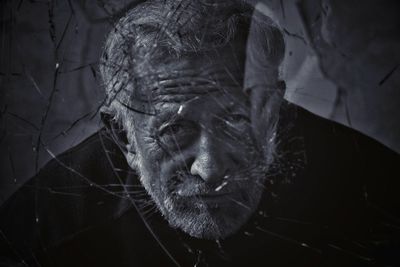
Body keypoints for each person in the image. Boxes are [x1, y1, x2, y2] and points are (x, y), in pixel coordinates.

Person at [0, 1, 399, 266]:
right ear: (124, 138)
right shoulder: (39, 239)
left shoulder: (379, 198)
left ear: (273, 113)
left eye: (236, 122)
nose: (209, 169)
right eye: (174, 131)